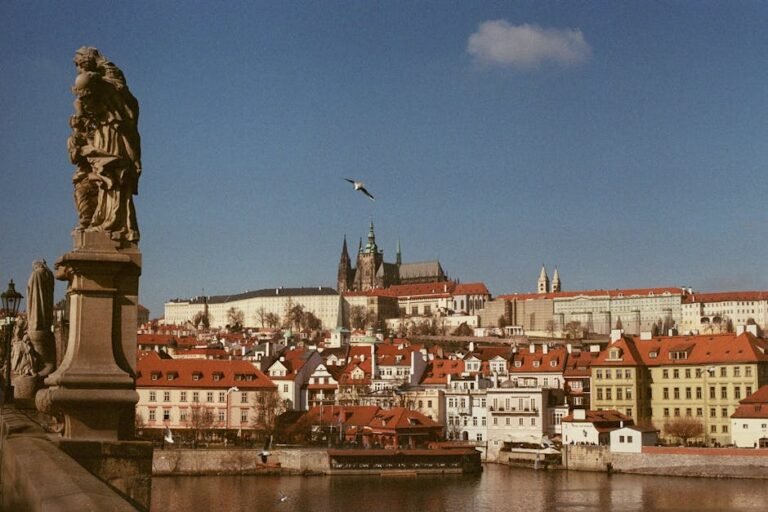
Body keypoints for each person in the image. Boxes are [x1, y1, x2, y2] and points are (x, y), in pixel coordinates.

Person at [70, 47, 142, 242]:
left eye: (79, 65)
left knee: (112, 174)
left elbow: (127, 105)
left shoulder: (108, 80)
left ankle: (114, 223)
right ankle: (101, 219)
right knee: (100, 177)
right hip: (102, 134)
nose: (79, 70)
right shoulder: (99, 82)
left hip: (113, 134)